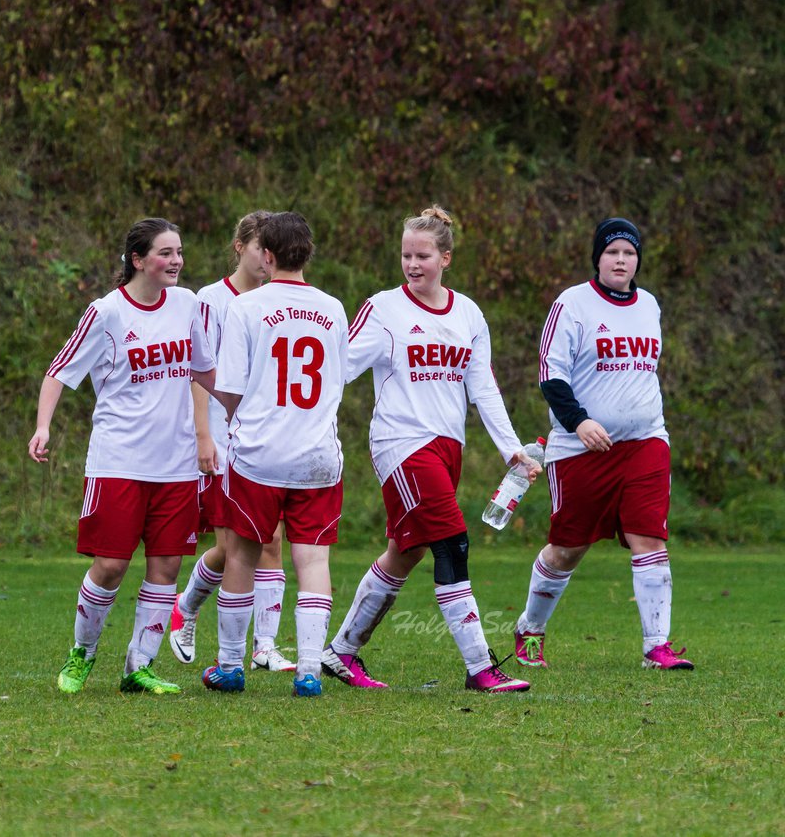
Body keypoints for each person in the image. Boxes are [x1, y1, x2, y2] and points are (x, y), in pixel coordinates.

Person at [324, 205, 540, 693]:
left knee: (407, 550)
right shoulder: (384, 309)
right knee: (452, 543)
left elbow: (483, 387)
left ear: (446, 257)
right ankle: (481, 668)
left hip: (448, 447)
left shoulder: (468, 313)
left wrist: (512, 451)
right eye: (405, 255)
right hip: (402, 444)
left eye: (422, 255)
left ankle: (341, 651)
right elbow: (335, 370)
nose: (412, 264)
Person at [30, 218, 216, 695]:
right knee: (110, 565)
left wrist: (243, 412)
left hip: (176, 465)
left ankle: (139, 666)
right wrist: (43, 427)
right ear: (138, 260)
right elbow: (59, 371)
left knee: (166, 567)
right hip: (119, 462)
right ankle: (83, 653)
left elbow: (205, 372)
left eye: (179, 251)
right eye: (165, 252)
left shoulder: (189, 304)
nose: (176, 261)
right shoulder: (107, 312)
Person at [512, 217, 693, 671]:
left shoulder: (649, 305)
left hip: (646, 441)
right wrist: (580, 422)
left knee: (649, 537)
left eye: (629, 253)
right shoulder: (571, 304)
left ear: (637, 261)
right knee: (566, 549)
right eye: (612, 252)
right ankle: (529, 629)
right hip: (580, 448)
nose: (620, 260)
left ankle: (657, 646)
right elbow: (550, 377)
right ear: (598, 257)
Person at [201, 210, 350, 698]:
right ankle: (308, 670)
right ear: (307, 253)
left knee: (242, 555)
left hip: (259, 455)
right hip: (317, 456)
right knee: (313, 560)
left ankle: (229, 666)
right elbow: (337, 383)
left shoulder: (246, 307)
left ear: (267, 256)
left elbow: (230, 390)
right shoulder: (333, 308)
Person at [168, 210, 295, 674]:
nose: (266, 258)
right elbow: (199, 373)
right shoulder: (211, 299)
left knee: (272, 540)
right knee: (235, 546)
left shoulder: (277, 301)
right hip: (222, 438)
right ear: (240, 247)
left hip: (262, 439)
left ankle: (265, 645)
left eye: (272, 250)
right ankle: (187, 605)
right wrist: (204, 435)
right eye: (259, 247)